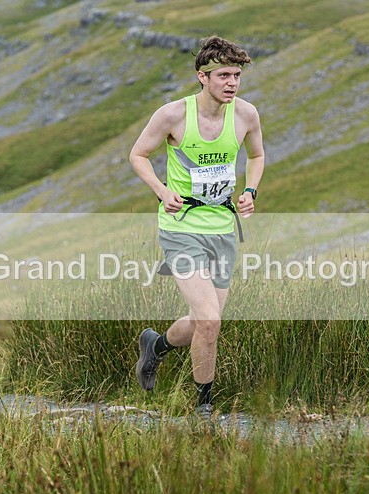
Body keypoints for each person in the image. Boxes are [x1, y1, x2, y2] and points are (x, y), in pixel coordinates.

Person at [129, 35, 265, 419]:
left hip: (223, 228)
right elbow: (138, 154)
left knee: (202, 322)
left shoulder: (246, 115)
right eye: (223, 75)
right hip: (181, 227)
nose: (232, 83)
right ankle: (204, 408)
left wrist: (251, 190)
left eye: (237, 75)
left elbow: (256, 155)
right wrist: (160, 189)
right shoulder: (172, 115)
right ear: (201, 77)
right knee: (210, 319)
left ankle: (155, 348)